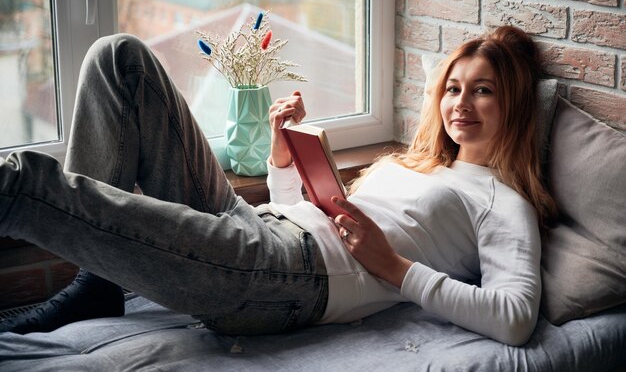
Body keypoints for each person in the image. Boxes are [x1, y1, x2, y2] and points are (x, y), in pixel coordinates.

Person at [0, 25, 556, 346]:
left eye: (482, 90)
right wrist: (283, 156)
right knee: (119, 58)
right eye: (454, 88)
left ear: (513, 103)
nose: (461, 104)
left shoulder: (503, 203)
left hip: (289, 279)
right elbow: (304, 211)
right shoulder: (416, 164)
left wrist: (393, 267)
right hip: (262, 229)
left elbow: (514, 318)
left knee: (24, 182)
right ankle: (97, 283)